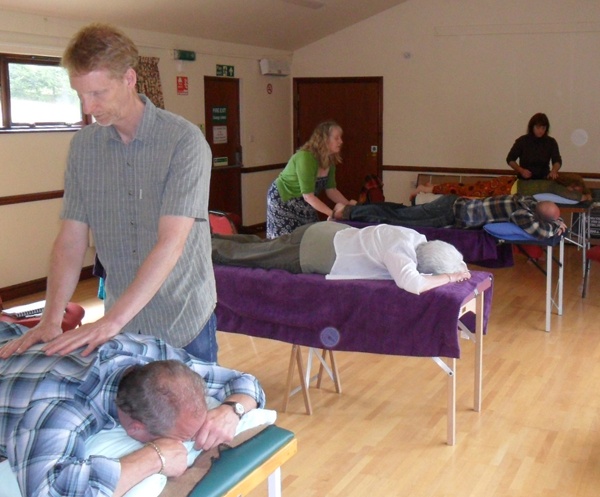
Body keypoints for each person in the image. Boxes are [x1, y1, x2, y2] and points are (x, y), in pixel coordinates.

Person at [0, 23, 217, 362]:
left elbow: (171, 243)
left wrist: (109, 322)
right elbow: (71, 240)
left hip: (182, 322)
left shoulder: (184, 142)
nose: (88, 107)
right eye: (79, 94)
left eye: (97, 93)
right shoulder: (84, 148)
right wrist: (50, 319)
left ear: (129, 79)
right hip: (124, 325)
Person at [0, 321, 265, 497]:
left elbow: (243, 381)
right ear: (135, 429)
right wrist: (154, 457)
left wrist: (233, 409)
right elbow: (50, 491)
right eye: (184, 438)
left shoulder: (146, 353)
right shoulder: (57, 409)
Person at [212, 222, 472, 295]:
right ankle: (203, 247)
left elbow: (433, 266)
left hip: (325, 233)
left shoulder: (417, 239)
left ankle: (207, 237)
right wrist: (449, 277)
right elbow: (414, 284)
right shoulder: (401, 252)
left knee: (259, 246)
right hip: (314, 249)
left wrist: (457, 268)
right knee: (248, 257)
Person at [333, 194, 567, 240]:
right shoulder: (522, 213)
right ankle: (349, 212)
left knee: (400, 212)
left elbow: (542, 219)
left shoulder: (528, 200)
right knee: (398, 219)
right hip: (448, 213)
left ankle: (354, 208)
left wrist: (555, 220)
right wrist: (555, 227)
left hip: (451, 203)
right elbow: (540, 231)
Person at [266, 121, 357, 239]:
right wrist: (333, 214)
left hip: (304, 202)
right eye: (336, 138)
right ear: (324, 139)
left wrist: (349, 206)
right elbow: (308, 196)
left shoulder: (330, 160)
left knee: (309, 237)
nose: (341, 141)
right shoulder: (306, 158)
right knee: (286, 242)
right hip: (283, 200)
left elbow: (331, 190)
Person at [411, 173, 592, 202]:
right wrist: (584, 197)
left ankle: (432, 186)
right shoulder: (555, 186)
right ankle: (427, 189)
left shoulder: (552, 184)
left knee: (466, 188)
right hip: (505, 189)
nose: (572, 192)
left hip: (507, 185)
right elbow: (572, 197)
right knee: (465, 190)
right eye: (574, 188)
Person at [506, 112, 562, 180]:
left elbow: (557, 160)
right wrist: (521, 170)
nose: (540, 131)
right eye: (538, 128)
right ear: (532, 127)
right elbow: (510, 159)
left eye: (543, 128)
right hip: (524, 181)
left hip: (544, 180)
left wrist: (554, 171)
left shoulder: (551, 142)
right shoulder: (522, 141)